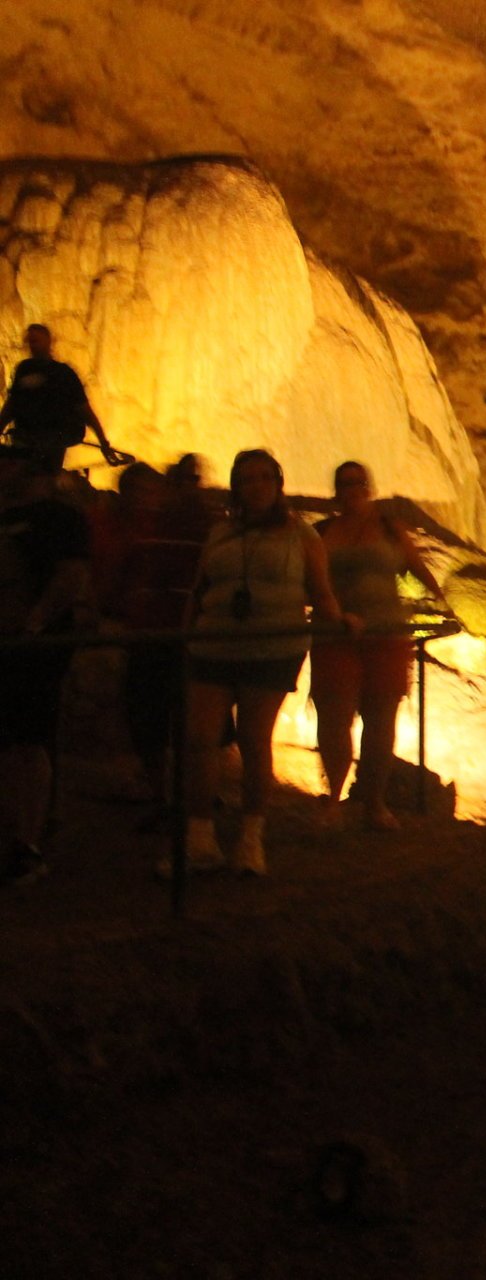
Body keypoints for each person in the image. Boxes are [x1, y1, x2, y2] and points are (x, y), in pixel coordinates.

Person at [180, 450, 349, 876]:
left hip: (271, 650)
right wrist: (185, 634)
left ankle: (250, 838)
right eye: (246, 479)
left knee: (255, 741)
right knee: (201, 739)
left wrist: (342, 619)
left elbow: (321, 591)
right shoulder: (220, 533)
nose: (255, 486)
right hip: (213, 644)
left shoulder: (302, 536)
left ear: (277, 484)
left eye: (262, 478)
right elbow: (199, 588)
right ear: (237, 486)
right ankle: (200, 836)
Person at [312, 461, 446, 831]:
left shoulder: (389, 528)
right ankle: (335, 799)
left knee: (381, 721)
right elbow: (311, 580)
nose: (352, 489)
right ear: (336, 490)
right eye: (344, 483)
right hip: (334, 635)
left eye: (358, 482)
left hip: (386, 633)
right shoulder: (321, 532)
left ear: (368, 487)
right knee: (335, 719)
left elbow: (416, 565)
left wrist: (443, 601)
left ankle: (374, 802)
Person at [95, 460, 211, 814]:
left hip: (181, 631)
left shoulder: (184, 526)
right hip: (147, 630)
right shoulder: (131, 531)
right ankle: (160, 789)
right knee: (145, 715)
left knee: (186, 719)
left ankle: (185, 795)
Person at [0, 443, 91, 884]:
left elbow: (70, 577)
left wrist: (35, 623)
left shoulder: (59, 519)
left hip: (31, 646)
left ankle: (28, 842)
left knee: (29, 740)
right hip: (15, 639)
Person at [0, 324, 118, 471]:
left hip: (52, 439)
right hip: (28, 438)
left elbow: (84, 410)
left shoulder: (63, 374)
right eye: (30, 341)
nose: (33, 345)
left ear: (49, 341)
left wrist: (103, 442)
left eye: (36, 340)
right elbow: (12, 404)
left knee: (42, 477)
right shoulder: (24, 368)